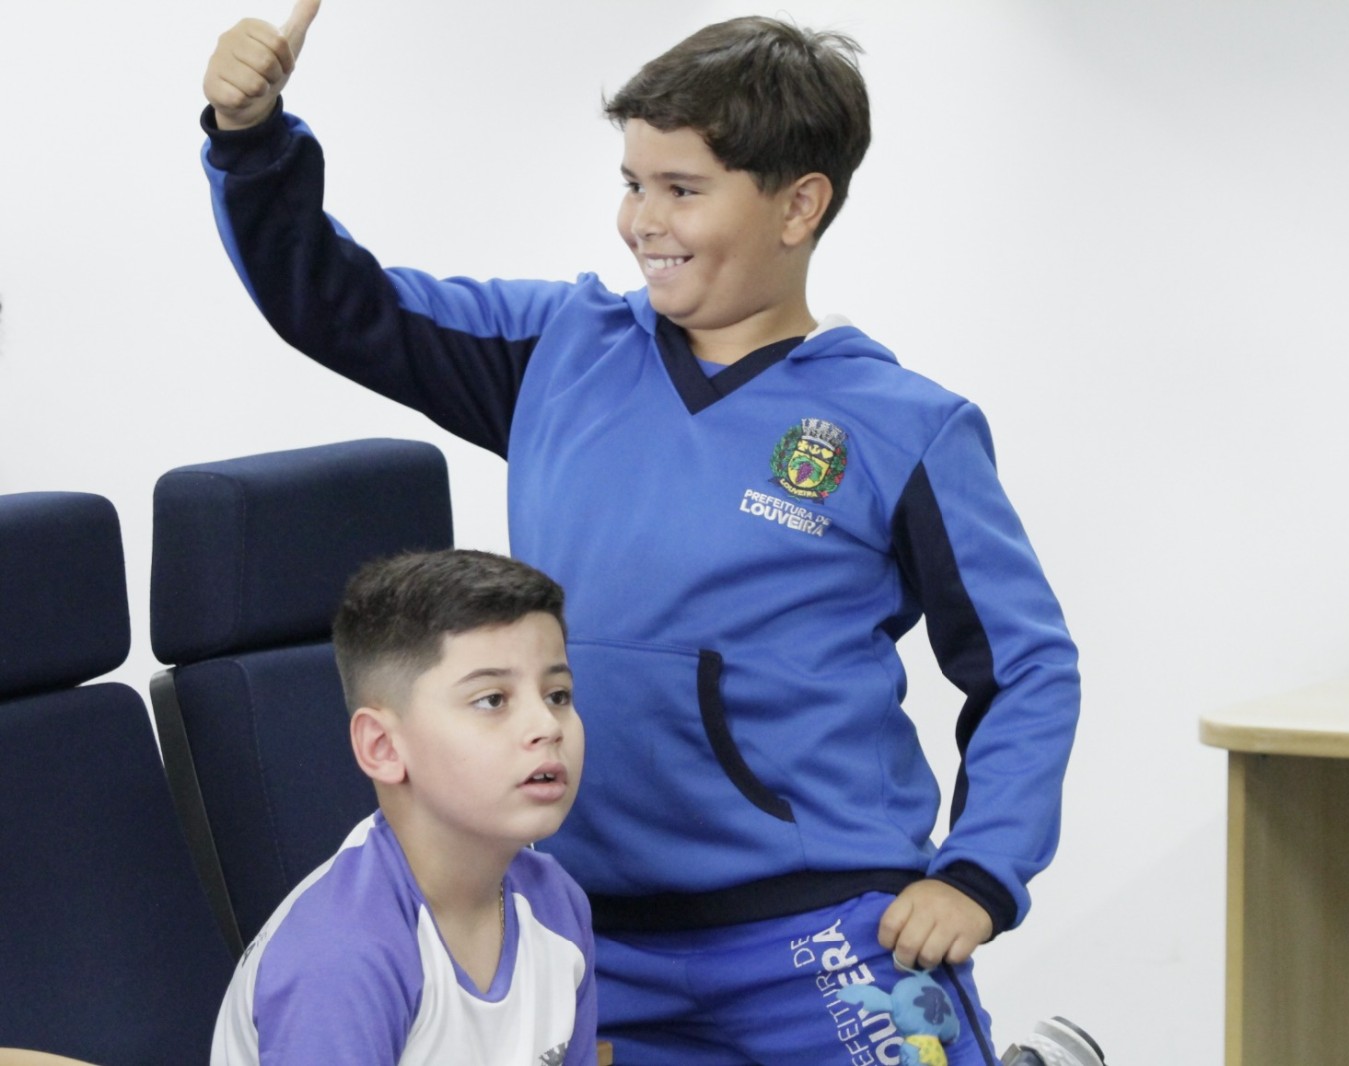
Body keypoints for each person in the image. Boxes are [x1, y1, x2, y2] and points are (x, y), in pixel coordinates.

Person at [200, 4, 1083, 1063]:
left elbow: (1026, 668)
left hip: (824, 929)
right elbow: (333, 302)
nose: (641, 221)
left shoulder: (905, 428)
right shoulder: (557, 349)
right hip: (588, 937)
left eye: (682, 189)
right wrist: (250, 140)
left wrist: (979, 872)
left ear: (799, 204)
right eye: (633, 183)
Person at [210, 549, 598, 1065]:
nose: (547, 726)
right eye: (492, 700)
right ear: (383, 747)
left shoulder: (558, 905)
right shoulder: (340, 958)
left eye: (558, 695)